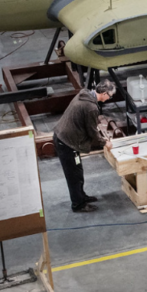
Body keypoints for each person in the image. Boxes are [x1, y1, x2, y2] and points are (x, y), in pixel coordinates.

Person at [53, 79, 116, 213]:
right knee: (73, 176)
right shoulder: (91, 108)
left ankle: (81, 196)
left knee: (78, 172)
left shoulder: (85, 93)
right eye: (109, 96)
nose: (109, 99)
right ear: (104, 93)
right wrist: (105, 142)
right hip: (66, 142)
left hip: (65, 137)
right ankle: (78, 205)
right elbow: (92, 132)